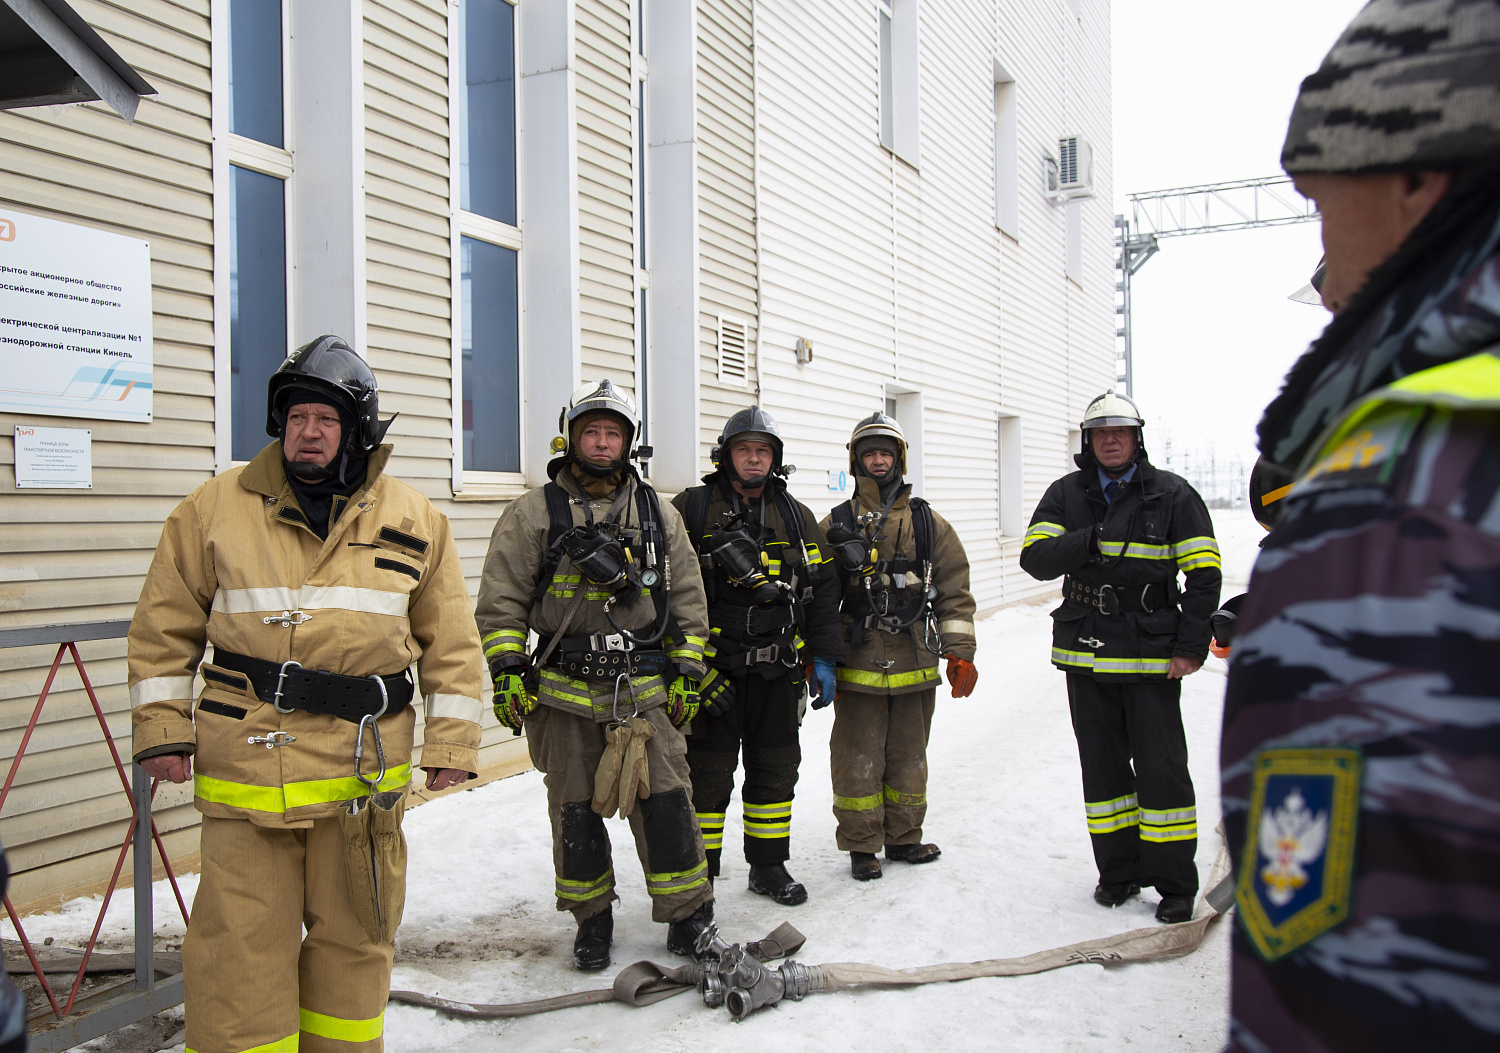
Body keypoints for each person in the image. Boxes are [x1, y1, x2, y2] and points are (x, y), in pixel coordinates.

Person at [1223, 2, 1500, 1048]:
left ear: (1417, 179)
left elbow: (1359, 981)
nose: (1326, 272)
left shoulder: (1407, 489)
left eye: (1319, 208)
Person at [128, 335, 483, 1052]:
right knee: (238, 952)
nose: (308, 432)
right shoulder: (212, 510)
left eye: (325, 419)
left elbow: (451, 641)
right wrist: (161, 728)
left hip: (362, 782)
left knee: (356, 946)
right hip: (248, 774)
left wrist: (452, 743)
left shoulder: (415, 518)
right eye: (296, 418)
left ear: (356, 431)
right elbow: (163, 625)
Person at [474, 379, 714, 972]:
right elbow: (500, 601)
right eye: (592, 432)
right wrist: (507, 670)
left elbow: (687, 596)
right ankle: (592, 920)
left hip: (646, 690)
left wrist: (687, 669)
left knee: (666, 801)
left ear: (628, 443)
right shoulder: (532, 513)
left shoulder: (659, 513)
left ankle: (687, 913)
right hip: (563, 693)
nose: (603, 443)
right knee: (575, 809)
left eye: (613, 433)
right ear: (572, 438)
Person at [1019, 393, 1220, 924]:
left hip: (1152, 655)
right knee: (1103, 774)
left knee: (1162, 774)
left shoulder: (1173, 494)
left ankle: (1175, 884)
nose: (1111, 440)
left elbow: (1204, 577)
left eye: (1121, 432)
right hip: (1086, 653)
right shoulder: (1066, 494)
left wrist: (1190, 647)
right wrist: (1091, 540)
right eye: (1101, 433)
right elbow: (1035, 559)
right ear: (1088, 441)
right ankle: (1118, 873)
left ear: (1137, 438)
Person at [671, 407, 844, 906]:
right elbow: (661, 598)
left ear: (775, 459)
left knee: (774, 770)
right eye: (744, 450)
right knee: (706, 775)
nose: (754, 459)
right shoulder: (691, 508)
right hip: (713, 673)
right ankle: (697, 875)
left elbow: (823, 592)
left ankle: (768, 866)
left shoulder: (796, 515)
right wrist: (692, 671)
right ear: (726, 456)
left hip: (776, 673)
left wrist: (823, 658)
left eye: (763, 451)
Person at [819, 412, 977, 881]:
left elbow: (954, 589)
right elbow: (820, 595)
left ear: (901, 459)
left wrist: (960, 652)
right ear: (856, 460)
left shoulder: (928, 524)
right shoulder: (835, 523)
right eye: (870, 452)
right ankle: (862, 845)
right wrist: (821, 656)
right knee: (856, 755)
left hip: (914, 658)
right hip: (859, 658)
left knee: (910, 753)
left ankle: (905, 838)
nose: (879, 460)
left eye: (887, 452)